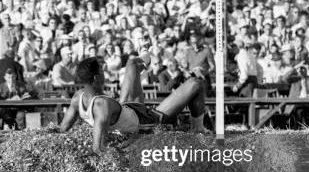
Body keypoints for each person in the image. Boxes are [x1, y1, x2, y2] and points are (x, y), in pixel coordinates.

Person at [60, 56, 208, 154]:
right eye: (102, 71)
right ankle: (198, 128)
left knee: (131, 62)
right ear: (97, 77)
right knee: (196, 83)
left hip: (128, 107)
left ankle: (145, 55)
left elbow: (63, 128)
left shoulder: (77, 96)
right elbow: (98, 148)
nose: (104, 73)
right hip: (147, 121)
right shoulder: (101, 106)